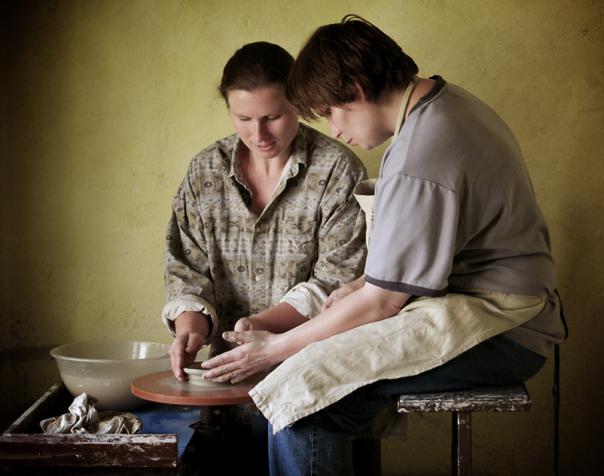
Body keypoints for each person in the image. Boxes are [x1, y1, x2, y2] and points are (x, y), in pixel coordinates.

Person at [202, 16, 568, 476]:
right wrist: (356, 287)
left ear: (355, 90)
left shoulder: (421, 152)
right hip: (498, 306)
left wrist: (276, 348)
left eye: (331, 112)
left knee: (300, 392)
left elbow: (384, 302)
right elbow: (417, 259)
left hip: (505, 327)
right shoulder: (447, 104)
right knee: (313, 375)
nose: (334, 129)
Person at [161, 41, 368, 472]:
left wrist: (263, 326)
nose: (259, 135)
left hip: (312, 387)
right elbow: (187, 269)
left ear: (299, 104)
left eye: (273, 117)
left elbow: (339, 281)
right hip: (222, 389)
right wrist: (190, 329)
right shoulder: (204, 173)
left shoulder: (337, 171)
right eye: (243, 119)